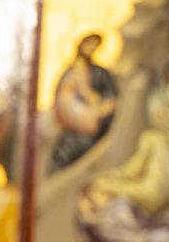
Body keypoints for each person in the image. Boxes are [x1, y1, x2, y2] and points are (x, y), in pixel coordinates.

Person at [47, 33, 119, 175]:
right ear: (80, 45)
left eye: (94, 46)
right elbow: (64, 94)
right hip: (70, 119)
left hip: (90, 124)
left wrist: (98, 102)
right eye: (88, 44)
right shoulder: (70, 71)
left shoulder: (100, 73)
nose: (90, 49)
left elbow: (109, 97)